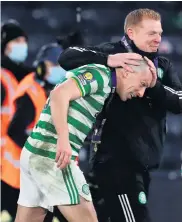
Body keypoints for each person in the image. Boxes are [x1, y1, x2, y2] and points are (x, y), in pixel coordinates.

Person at [58, 8, 182, 222]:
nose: (158, 39)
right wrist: (109, 59)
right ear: (131, 32)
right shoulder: (112, 52)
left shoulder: (162, 66)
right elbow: (67, 57)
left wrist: (153, 85)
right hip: (115, 162)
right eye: (151, 33)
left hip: (142, 164)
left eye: (160, 33)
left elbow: (179, 101)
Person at [15, 58, 154, 222]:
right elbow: (59, 93)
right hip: (54, 157)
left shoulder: (106, 88)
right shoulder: (102, 76)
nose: (141, 93)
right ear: (127, 71)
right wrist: (63, 138)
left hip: (35, 154)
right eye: (143, 83)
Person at [1, 42, 65, 221]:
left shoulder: (44, 90)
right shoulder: (31, 94)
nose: (58, 70)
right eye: (53, 65)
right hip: (17, 176)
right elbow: (15, 130)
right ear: (42, 67)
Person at [1, 19, 33, 220]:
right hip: (6, 161)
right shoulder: (3, 78)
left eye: (24, 40)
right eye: (16, 40)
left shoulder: (27, 76)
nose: (22, 44)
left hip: (21, 159)